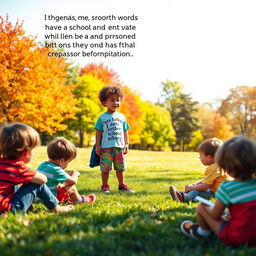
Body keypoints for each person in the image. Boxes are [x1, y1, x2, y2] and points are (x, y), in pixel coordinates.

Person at [180, 136, 256, 246]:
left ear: (226, 165)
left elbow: (215, 215)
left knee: (202, 207)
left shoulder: (227, 188)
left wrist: (210, 207)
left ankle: (203, 232)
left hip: (237, 237)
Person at [0, 122, 74, 214]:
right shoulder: (17, 167)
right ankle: (57, 208)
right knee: (37, 183)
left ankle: (27, 207)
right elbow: (43, 179)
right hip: (8, 211)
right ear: (26, 152)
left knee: (13, 185)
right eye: (33, 149)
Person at [94, 85, 134, 193]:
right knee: (105, 169)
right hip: (106, 148)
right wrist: (97, 146)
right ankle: (105, 186)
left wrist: (126, 144)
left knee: (120, 168)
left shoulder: (122, 117)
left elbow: (125, 131)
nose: (115, 103)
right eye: (112, 100)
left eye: (118, 100)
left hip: (119, 148)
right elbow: (98, 132)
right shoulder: (102, 117)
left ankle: (121, 185)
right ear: (104, 102)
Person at [169, 138, 232, 202]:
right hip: (227, 194)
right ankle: (181, 194)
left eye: (200, 155)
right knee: (198, 189)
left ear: (209, 158)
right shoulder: (220, 165)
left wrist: (192, 188)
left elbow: (204, 186)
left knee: (196, 192)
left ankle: (184, 197)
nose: (199, 157)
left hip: (220, 196)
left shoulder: (212, 168)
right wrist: (194, 184)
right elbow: (206, 180)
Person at [37, 137, 96, 204]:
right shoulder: (56, 170)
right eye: (68, 162)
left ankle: (68, 198)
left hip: (37, 197)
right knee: (71, 187)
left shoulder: (42, 165)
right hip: (50, 198)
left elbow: (53, 177)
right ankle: (80, 200)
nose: (68, 164)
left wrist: (67, 175)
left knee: (61, 184)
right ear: (62, 161)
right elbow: (73, 181)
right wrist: (75, 174)